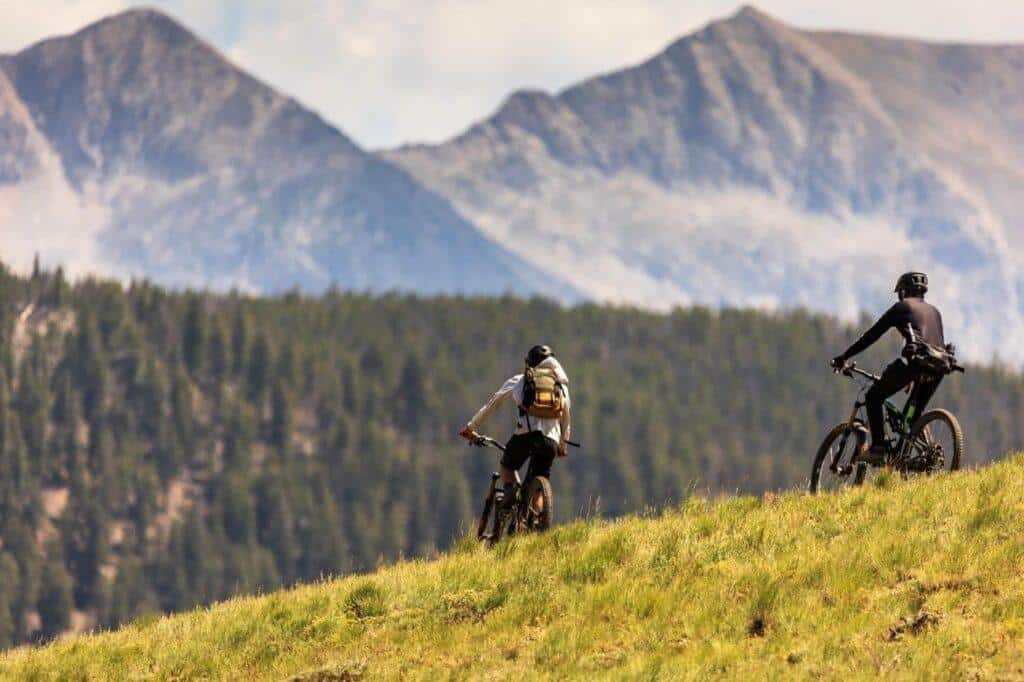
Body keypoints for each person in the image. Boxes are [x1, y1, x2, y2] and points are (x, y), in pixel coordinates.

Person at [831, 271, 945, 465]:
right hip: (938, 366)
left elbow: (871, 336)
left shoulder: (901, 308)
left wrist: (845, 356)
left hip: (915, 363)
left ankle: (878, 449)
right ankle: (913, 460)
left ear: (903, 292)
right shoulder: (935, 311)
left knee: (873, 397)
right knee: (911, 421)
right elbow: (932, 344)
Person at [459, 345, 571, 507]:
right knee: (539, 485)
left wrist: (471, 428)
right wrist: (562, 446)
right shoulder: (561, 388)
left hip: (525, 436)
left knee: (507, 466)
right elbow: (566, 419)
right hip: (550, 442)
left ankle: (510, 490)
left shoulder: (520, 381)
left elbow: (492, 404)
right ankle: (539, 521)